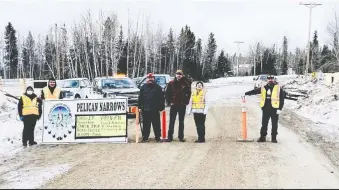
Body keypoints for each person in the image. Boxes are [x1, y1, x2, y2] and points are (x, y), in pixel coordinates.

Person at [244, 75, 285, 143]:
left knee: (274, 124)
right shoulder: (264, 88)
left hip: (274, 109)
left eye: (271, 79)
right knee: (264, 124)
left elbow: (282, 99)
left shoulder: (278, 88)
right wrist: (247, 93)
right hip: (265, 108)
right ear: (267, 80)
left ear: (274, 80)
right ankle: (263, 137)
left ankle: (274, 138)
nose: (270, 80)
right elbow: (255, 91)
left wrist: (280, 109)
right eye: (269, 79)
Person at [165, 70, 192, 142]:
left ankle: (181, 137)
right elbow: (167, 94)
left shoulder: (185, 83)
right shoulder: (171, 83)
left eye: (180, 74)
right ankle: (170, 137)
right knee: (172, 121)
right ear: (175, 75)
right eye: (177, 74)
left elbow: (189, 93)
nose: (178, 75)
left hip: (182, 105)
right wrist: (169, 102)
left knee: (181, 121)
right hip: (173, 104)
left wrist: (186, 101)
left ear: (182, 75)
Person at [138, 73, 165, 142]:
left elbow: (161, 98)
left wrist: (161, 108)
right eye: (149, 78)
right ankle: (145, 137)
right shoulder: (143, 87)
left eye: (151, 78)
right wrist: (139, 107)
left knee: (156, 125)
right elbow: (140, 98)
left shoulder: (158, 87)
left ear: (154, 78)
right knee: (146, 125)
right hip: (145, 109)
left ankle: (158, 137)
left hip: (155, 110)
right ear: (147, 79)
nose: (150, 79)